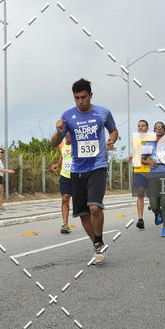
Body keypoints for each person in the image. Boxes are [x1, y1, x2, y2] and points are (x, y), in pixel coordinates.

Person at [51, 78, 118, 265]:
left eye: (83, 97)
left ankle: (98, 242)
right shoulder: (67, 116)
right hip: (77, 168)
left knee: (95, 206)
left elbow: (114, 130)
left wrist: (112, 140)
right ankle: (98, 243)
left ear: (90, 95)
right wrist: (58, 131)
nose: (80, 101)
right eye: (76, 98)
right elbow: (55, 143)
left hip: (98, 165)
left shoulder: (103, 113)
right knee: (83, 213)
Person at [127, 119, 154, 230]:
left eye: (143, 126)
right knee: (140, 194)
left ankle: (157, 212)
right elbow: (136, 151)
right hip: (139, 170)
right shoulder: (135, 139)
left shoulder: (152, 139)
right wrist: (131, 156)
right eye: (139, 126)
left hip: (151, 170)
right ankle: (140, 219)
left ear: (147, 128)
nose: (140, 128)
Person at [51, 132, 73, 232]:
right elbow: (63, 157)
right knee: (65, 199)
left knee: (81, 201)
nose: (68, 135)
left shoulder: (77, 145)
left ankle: (89, 220)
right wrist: (57, 165)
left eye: (70, 133)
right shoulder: (61, 145)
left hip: (77, 176)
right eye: (66, 134)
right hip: (65, 176)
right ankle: (65, 224)